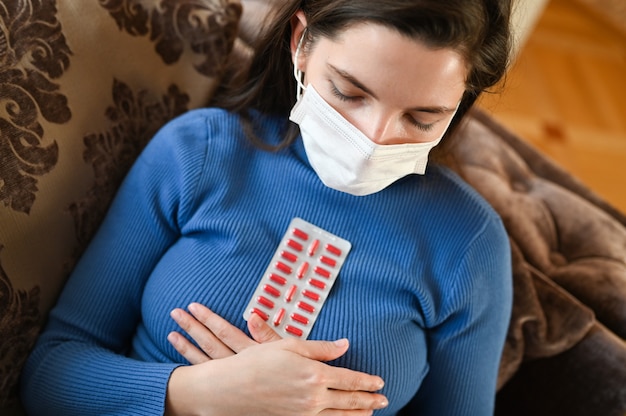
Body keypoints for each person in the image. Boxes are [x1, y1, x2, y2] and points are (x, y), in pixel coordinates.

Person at [21, 0, 514, 414]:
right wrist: (198, 394)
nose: (374, 139)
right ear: (301, 42)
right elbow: (50, 375)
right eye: (349, 92)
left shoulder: (469, 244)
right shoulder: (200, 154)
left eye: (422, 117)